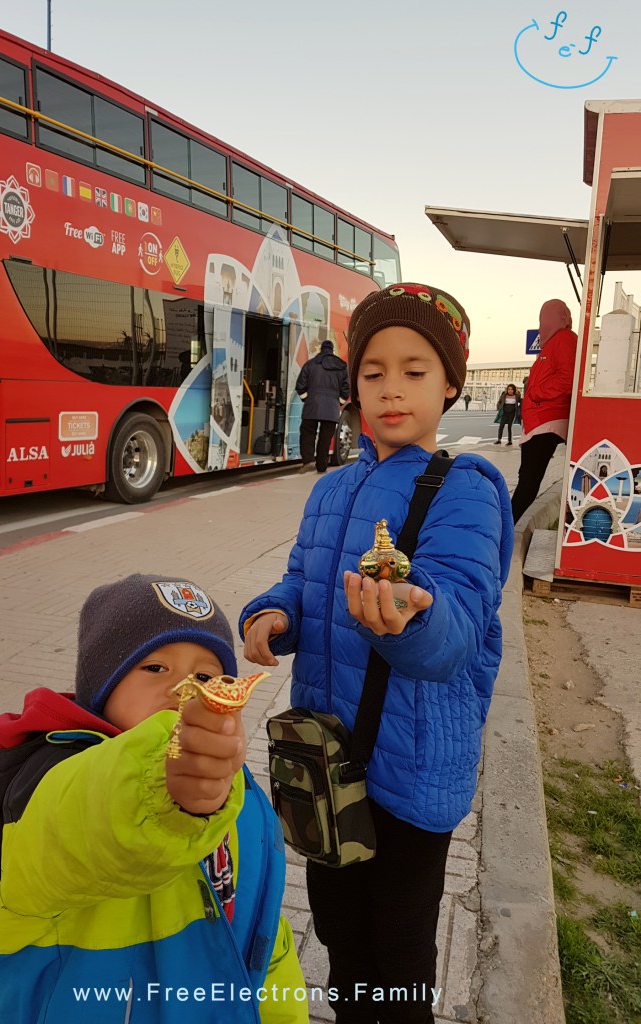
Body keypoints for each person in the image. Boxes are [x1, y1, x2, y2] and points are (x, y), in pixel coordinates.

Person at [240, 284, 514, 1024]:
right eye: (374, 372)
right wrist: (273, 613)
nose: (392, 389)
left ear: (452, 383)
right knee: (338, 932)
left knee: (398, 953)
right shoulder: (329, 491)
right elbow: (303, 579)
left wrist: (412, 618)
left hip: (410, 775)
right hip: (329, 762)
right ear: (353, 381)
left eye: (415, 371)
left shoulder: (466, 491)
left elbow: (458, 626)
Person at [0, 574, 307, 1024]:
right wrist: (164, 785)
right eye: (154, 668)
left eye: (205, 674)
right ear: (102, 691)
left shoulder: (237, 788)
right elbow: (85, 813)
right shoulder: (50, 782)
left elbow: (263, 932)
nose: (183, 690)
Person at [511, 299, 578, 523]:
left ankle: (504, 531)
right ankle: (505, 527)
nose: (541, 325)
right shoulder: (552, 343)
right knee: (527, 480)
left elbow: (566, 379)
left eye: (544, 319)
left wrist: (536, 392)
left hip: (547, 420)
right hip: (540, 420)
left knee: (528, 483)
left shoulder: (565, 340)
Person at [295, 338, 350, 473]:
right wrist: (339, 403)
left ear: (321, 350)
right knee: (325, 438)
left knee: (308, 434)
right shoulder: (342, 367)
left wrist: (306, 399)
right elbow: (346, 390)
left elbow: (300, 386)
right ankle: (321, 466)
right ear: (332, 351)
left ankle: (308, 461)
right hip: (331, 408)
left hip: (312, 405)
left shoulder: (310, 364)